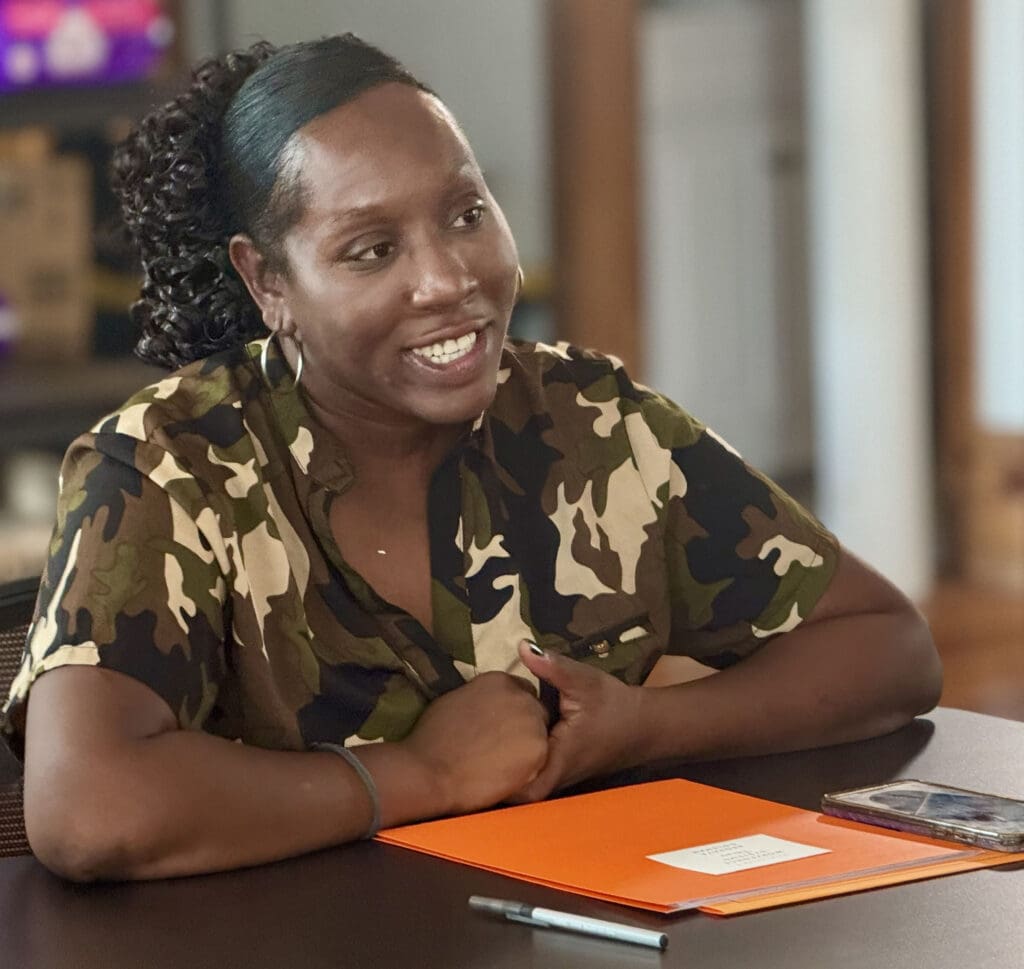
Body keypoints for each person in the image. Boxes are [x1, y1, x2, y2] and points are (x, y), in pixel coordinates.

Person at [1, 35, 941, 883]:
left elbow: (887, 648)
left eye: (465, 213)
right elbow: (89, 809)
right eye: (371, 250)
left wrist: (645, 726)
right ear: (268, 280)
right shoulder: (166, 467)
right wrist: (421, 773)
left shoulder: (592, 422)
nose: (449, 280)